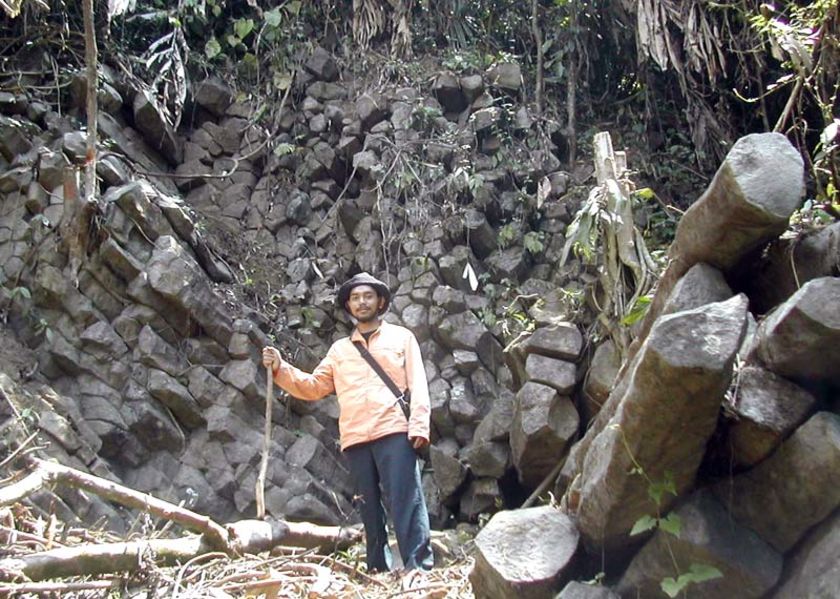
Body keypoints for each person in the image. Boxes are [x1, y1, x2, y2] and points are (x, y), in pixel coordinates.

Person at [261, 272, 434, 572]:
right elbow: (314, 386)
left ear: (380, 302)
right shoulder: (340, 350)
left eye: (367, 296)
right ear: (349, 306)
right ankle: (378, 569)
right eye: (355, 298)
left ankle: (419, 568)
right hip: (355, 439)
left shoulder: (402, 338)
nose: (361, 302)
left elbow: (418, 383)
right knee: (368, 509)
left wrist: (419, 424)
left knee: (407, 501)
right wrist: (280, 368)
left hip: (393, 430)